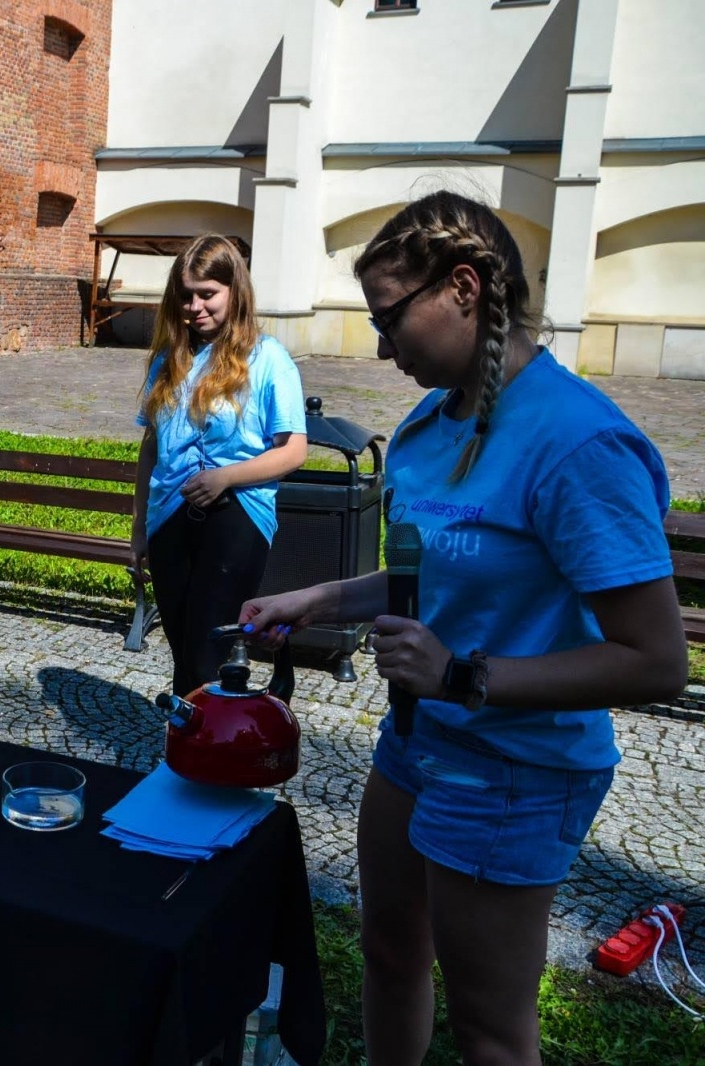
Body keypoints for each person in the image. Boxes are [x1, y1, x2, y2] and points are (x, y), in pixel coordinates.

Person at [239, 191, 688, 1064]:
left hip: (516, 772)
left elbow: (656, 660)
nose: (380, 346)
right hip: (415, 745)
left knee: (488, 1028)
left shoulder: (578, 443)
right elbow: (428, 575)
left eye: (390, 318)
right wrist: (316, 602)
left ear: (465, 287)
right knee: (390, 952)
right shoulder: (429, 421)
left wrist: (463, 677)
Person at [131, 234, 307, 699]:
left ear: (235, 292)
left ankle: (207, 755)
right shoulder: (170, 361)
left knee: (208, 653)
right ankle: (191, 750)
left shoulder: (269, 360)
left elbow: (293, 451)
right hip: (170, 514)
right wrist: (138, 529)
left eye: (207, 293)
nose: (195, 306)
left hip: (238, 514)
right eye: (186, 295)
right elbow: (151, 449)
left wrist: (225, 476)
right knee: (182, 651)